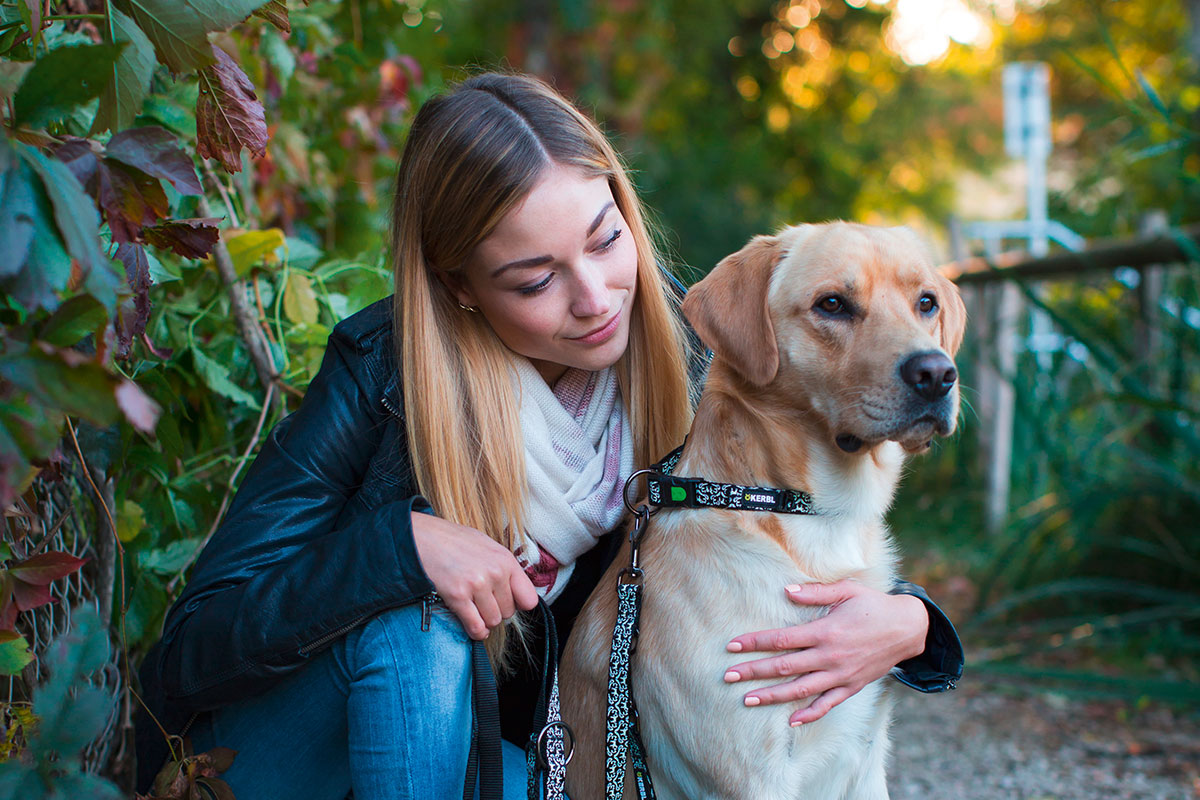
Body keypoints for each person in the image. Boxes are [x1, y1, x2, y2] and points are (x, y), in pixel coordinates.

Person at [135, 72, 962, 799]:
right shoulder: (380, 376)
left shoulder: (694, 357)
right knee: (418, 626)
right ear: (459, 286)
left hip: (498, 757)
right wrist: (400, 547)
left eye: (606, 240)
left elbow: (785, 517)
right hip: (282, 758)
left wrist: (912, 623)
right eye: (535, 279)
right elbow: (193, 647)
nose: (597, 297)